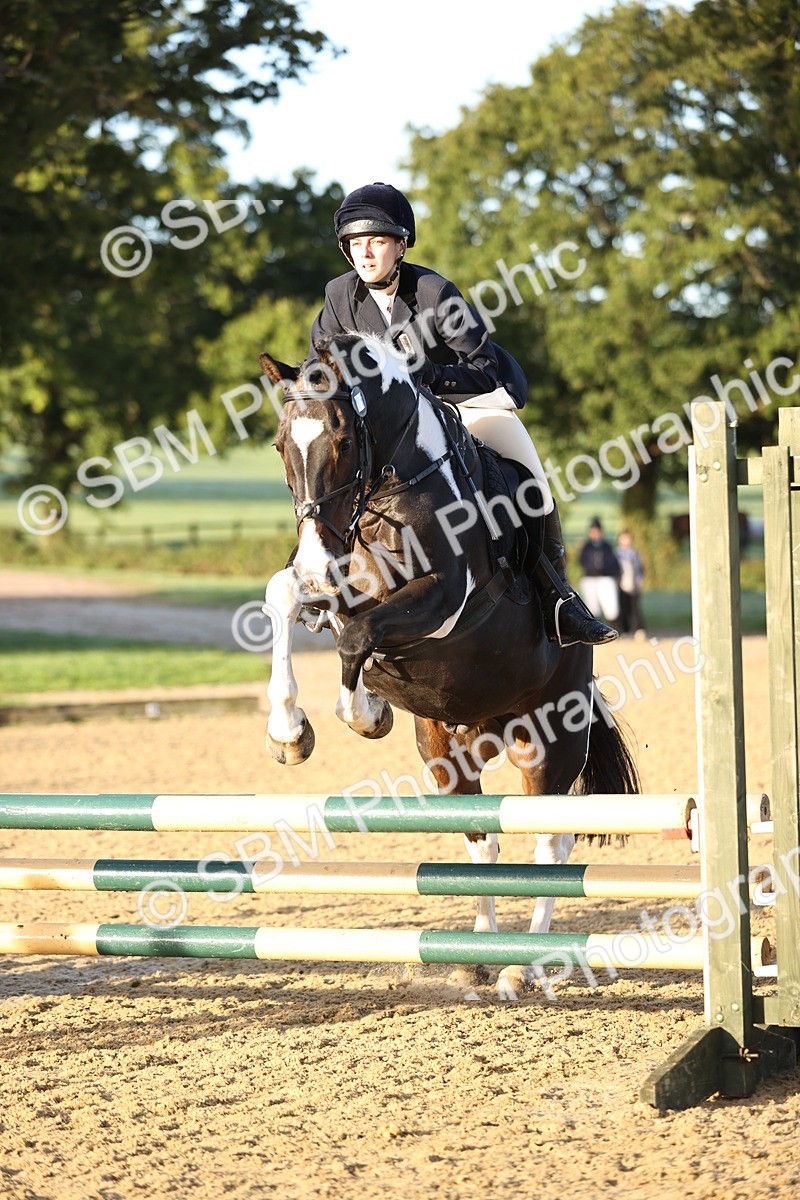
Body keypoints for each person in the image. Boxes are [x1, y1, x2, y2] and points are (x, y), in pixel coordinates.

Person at [308, 181, 617, 647]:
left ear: (401, 244)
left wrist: (430, 374)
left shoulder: (432, 292)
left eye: (376, 241)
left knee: (529, 477)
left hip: (466, 399)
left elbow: (483, 366)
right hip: (392, 423)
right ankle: (322, 576)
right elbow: (320, 370)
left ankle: (559, 601)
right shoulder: (339, 297)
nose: (365, 254)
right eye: (355, 244)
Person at [578, 519, 621, 627]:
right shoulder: (587, 547)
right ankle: (596, 629)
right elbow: (582, 562)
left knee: (611, 608)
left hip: (604, 578)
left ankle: (616, 629)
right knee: (592, 608)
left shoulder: (606, 546)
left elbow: (613, 562)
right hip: (590, 578)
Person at [615, 530, 645, 635]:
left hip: (633, 585)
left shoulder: (634, 553)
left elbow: (640, 568)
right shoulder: (616, 554)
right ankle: (624, 630)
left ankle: (638, 629)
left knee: (635, 608)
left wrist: (639, 581)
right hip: (621, 585)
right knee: (622, 608)